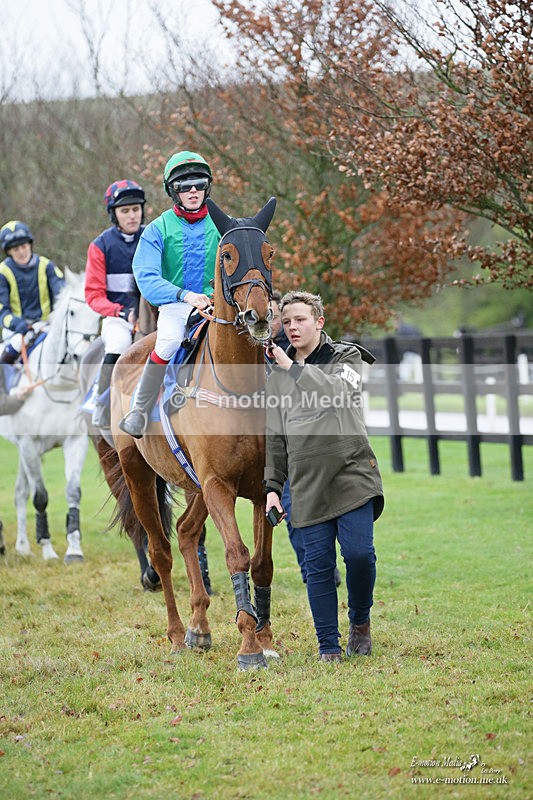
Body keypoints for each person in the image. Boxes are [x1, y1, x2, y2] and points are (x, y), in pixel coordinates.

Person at [264, 291, 384, 662]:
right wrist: (272, 488)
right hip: (306, 484)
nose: (293, 327)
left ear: (319, 322)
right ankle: (328, 646)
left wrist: (292, 368)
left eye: (300, 320)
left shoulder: (344, 356)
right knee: (318, 567)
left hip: (352, 475)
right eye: (286, 322)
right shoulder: (276, 376)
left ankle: (360, 623)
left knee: (360, 555)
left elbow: (339, 392)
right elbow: (275, 439)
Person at [119, 150, 220, 439]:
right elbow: (147, 279)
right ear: (171, 190)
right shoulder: (156, 229)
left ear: (207, 187)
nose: (192, 190)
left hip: (218, 306)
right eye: (183, 185)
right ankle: (139, 410)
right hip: (177, 306)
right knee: (168, 341)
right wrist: (186, 296)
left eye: (199, 184)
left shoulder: (220, 223)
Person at [269, 290, 341, 589]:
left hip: (321, 444)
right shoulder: (257, 351)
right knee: (294, 508)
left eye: (277, 316)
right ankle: (312, 569)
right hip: (284, 445)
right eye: (283, 320)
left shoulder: (297, 349)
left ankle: (324, 564)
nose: (281, 323)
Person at [84, 180, 147, 427]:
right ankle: (101, 402)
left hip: (154, 311)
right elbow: (93, 294)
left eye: (135, 209)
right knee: (119, 343)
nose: (132, 215)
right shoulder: (100, 246)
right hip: (118, 317)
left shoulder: (153, 236)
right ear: (114, 214)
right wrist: (119, 311)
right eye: (125, 211)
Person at [0, 220, 65, 364]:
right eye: (16, 249)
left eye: (23, 246)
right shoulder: (2, 272)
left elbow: (62, 293)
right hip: (17, 330)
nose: (21, 252)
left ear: (30, 244)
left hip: (45, 325)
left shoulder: (46, 265)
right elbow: (2, 311)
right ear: (9, 252)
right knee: (17, 343)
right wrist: (17, 324)